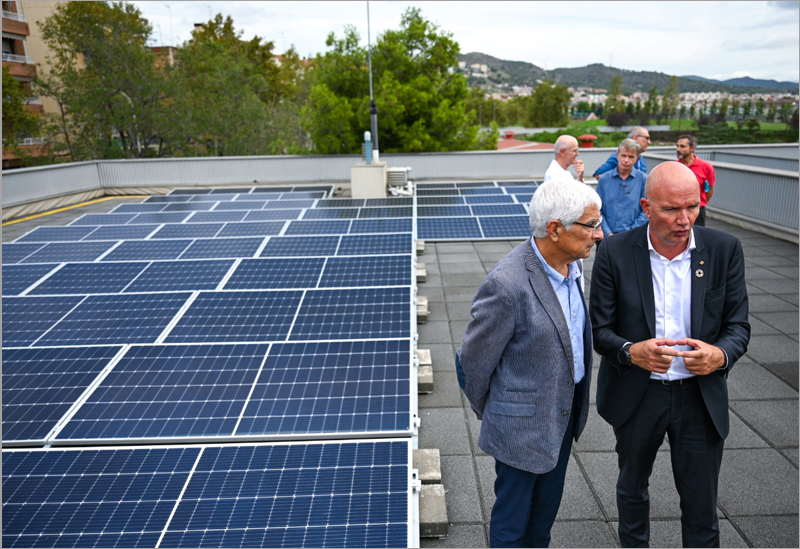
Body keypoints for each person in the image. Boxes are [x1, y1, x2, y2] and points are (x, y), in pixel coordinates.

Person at [589, 161, 750, 548]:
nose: (684, 219)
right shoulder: (613, 251)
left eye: (692, 207)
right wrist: (631, 352)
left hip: (699, 396)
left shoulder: (724, 250)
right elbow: (599, 331)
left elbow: (738, 327)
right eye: (671, 209)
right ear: (646, 207)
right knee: (632, 492)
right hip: (637, 395)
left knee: (701, 505)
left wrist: (720, 356)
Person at [458, 178, 603, 547]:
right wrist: (502, 413)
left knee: (541, 526)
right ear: (555, 229)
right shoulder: (507, 286)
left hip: (562, 418)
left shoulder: (573, 267)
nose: (598, 235)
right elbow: (472, 364)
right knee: (511, 529)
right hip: (519, 430)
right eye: (590, 225)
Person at [596, 138, 648, 237]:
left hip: (633, 237)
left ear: (637, 158)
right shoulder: (604, 179)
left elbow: (646, 209)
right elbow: (597, 209)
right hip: (606, 238)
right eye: (623, 155)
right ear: (617, 155)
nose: (626, 160)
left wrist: (631, 233)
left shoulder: (643, 179)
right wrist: (608, 233)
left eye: (631, 157)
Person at [677, 134, 715, 226]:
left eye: (682, 146)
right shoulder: (675, 167)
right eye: (677, 146)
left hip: (697, 211)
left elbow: (710, 190)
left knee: (697, 237)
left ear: (692, 148)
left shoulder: (706, 167)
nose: (678, 149)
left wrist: (699, 203)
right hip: (678, 210)